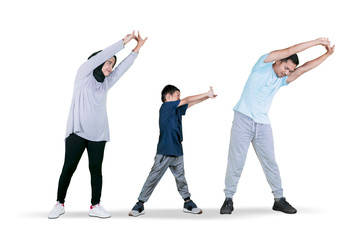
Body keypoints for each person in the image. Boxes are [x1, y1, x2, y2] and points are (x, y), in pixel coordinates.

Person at [220, 38, 335, 214]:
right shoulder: (262, 63)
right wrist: (317, 42)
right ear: (278, 61)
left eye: (290, 71)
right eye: (285, 68)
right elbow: (290, 49)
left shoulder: (282, 80)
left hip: (263, 124)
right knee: (236, 161)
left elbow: (305, 68)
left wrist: (327, 54)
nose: (286, 72)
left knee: (270, 163)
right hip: (243, 119)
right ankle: (228, 199)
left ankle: (279, 199)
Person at [48, 31, 148, 219]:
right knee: (68, 168)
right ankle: (59, 204)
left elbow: (123, 68)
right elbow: (102, 55)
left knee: (96, 170)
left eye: (112, 63)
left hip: (98, 135)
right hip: (77, 132)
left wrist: (137, 48)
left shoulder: (106, 83)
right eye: (108, 62)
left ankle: (95, 206)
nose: (111, 66)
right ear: (98, 62)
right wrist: (123, 42)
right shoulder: (83, 75)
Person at [129, 85, 217, 217]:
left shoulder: (175, 109)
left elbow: (192, 102)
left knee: (181, 178)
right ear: (168, 97)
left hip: (177, 151)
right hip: (165, 151)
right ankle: (140, 204)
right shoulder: (166, 107)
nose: (179, 98)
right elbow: (187, 99)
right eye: (177, 95)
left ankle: (187, 202)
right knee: (153, 178)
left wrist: (206, 97)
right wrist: (205, 92)